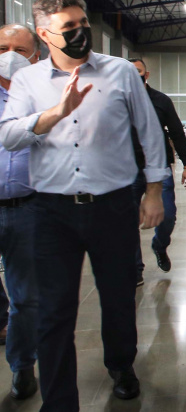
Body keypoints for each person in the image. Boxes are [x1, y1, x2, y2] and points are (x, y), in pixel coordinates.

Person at [0, 0, 167, 410]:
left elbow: (149, 132)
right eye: (67, 28)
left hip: (112, 204)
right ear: (44, 34)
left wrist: (152, 191)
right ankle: (60, 401)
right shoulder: (27, 81)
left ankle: (121, 365)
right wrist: (55, 112)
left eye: (82, 25)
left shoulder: (120, 72)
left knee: (117, 296)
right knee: (55, 311)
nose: (79, 33)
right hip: (50, 211)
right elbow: (8, 135)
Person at [0, 24, 41, 400]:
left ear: (35, 55)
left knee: (25, 297)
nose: (9, 54)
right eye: (2, 47)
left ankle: (22, 365)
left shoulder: (42, 99)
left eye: (18, 48)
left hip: (27, 209)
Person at [129, 58, 186, 284]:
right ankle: (135, 269)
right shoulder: (116, 100)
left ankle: (159, 245)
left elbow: (177, 132)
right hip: (127, 171)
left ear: (146, 75)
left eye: (137, 71)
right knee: (128, 222)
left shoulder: (160, 101)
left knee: (167, 215)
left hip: (159, 167)